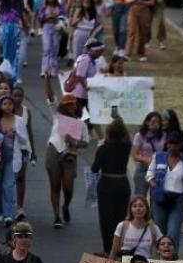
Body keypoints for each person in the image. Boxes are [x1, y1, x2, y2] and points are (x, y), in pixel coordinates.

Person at [146, 130, 183, 249]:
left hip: (178, 201)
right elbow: (150, 173)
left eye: (176, 143)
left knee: (173, 233)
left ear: (182, 145)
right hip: (160, 200)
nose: (173, 146)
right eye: (171, 142)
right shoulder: (158, 157)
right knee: (160, 234)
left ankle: (173, 262)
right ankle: (159, 262)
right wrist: (153, 182)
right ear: (167, 144)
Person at [46, 95, 89, 228]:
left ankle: (65, 206)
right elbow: (51, 97)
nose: (71, 106)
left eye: (73, 104)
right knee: (55, 185)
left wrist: (75, 142)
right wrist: (47, 78)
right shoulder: (57, 115)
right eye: (68, 104)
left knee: (68, 187)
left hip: (70, 153)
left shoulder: (81, 123)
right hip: (54, 149)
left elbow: (86, 141)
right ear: (63, 106)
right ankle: (57, 216)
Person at [93, 118, 134, 253]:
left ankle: (108, 249)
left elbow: (94, 168)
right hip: (122, 184)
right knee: (120, 220)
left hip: (106, 185)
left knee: (106, 220)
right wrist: (119, 121)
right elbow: (127, 137)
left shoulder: (103, 149)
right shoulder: (127, 146)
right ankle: (119, 247)